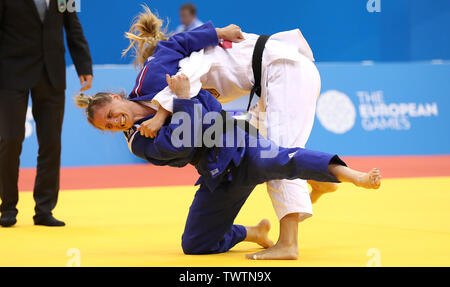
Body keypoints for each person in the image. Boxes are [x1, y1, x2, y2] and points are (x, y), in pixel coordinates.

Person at [75, 72, 381, 258]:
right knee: (195, 244)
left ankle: (354, 175)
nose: (115, 123)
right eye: (108, 126)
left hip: (239, 144)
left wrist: (215, 33)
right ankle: (254, 232)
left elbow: (186, 65)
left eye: (112, 114)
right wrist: (182, 100)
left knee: (285, 160)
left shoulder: (151, 84)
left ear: (116, 97)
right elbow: (182, 141)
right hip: (218, 174)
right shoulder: (138, 143)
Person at [122, 7, 340, 259]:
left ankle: (288, 243)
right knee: (257, 146)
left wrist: (159, 116)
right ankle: (317, 178)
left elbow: (177, 82)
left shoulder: (187, 65)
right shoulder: (188, 66)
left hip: (286, 72)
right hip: (272, 78)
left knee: (274, 153)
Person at [0, 0, 93, 227]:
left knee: (51, 143)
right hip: (11, 74)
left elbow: (73, 27)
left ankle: (44, 209)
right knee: (10, 140)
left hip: (52, 74)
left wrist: (84, 66)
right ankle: (8, 207)